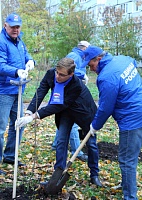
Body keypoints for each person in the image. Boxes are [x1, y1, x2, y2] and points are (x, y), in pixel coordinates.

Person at [82, 46, 142, 199]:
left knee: (127, 160)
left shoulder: (107, 77)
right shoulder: (122, 59)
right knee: (128, 157)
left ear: (99, 59)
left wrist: (95, 126)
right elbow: (133, 62)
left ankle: (130, 196)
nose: (91, 69)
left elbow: (105, 108)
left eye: (91, 65)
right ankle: (125, 184)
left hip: (134, 119)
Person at [16, 57, 102, 187]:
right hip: (65, 113)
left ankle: (94, 174)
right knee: (61, 141)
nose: (58, 76)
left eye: (62, 75)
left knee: (91, 144)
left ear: (71, 74)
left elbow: (59, 105)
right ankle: (58, 174)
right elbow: (41, 91)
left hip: (83, 112)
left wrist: (34, 116)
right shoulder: (51, 74)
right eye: (57, 72)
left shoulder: (76, 85)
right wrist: (29, 111)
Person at [0, 12, 35, 175]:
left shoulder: (19, 41)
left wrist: (30, 61)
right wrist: (16, 71)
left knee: (19, 124)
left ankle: (11, 155)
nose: (15, 29)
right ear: (5, 25)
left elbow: (26, 55)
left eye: (18, 27)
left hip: (18, 89)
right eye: (12, 26)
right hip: (3, 91)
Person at [51, 41, 90, 162]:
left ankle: (56, 144)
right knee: (72, 122)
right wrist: (82, 75)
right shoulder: (74, 56)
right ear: (83, 48)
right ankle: (76, 151)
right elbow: (65, 70)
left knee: (65, 120)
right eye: (88, 49)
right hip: (68, 91)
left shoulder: (80, 56)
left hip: (74, 90)